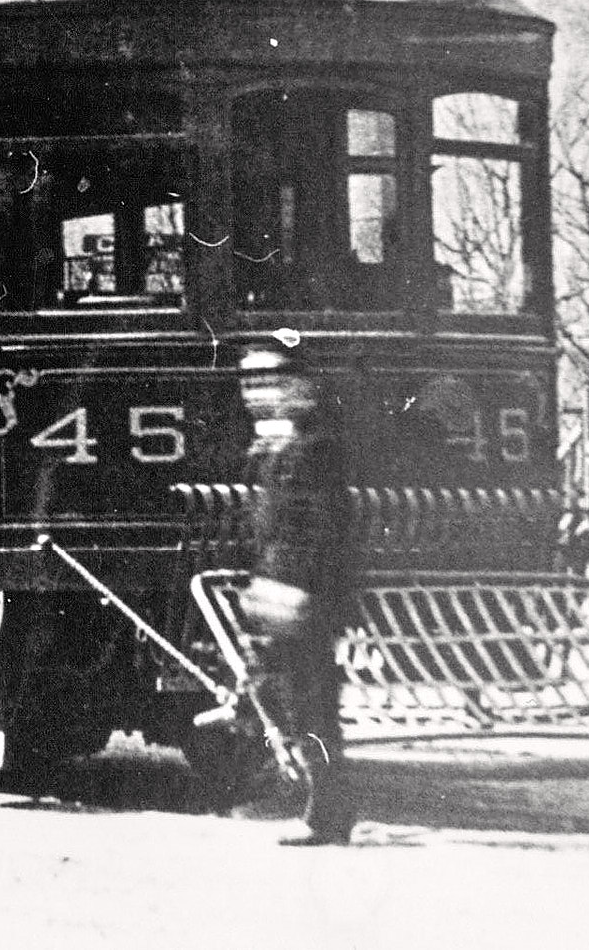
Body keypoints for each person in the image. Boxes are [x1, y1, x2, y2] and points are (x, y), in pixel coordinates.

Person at [237, 345, 356, 847]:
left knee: (308, 706)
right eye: (252, 384)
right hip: (290, 592)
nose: (260, 394)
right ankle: (324, 807)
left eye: (273, 383)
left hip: (300, 596)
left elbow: (320, 531)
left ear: (303, 388)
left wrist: (295, 589)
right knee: (296, 700)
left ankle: (327, 815)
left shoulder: (314, 448)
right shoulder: (286, 445)